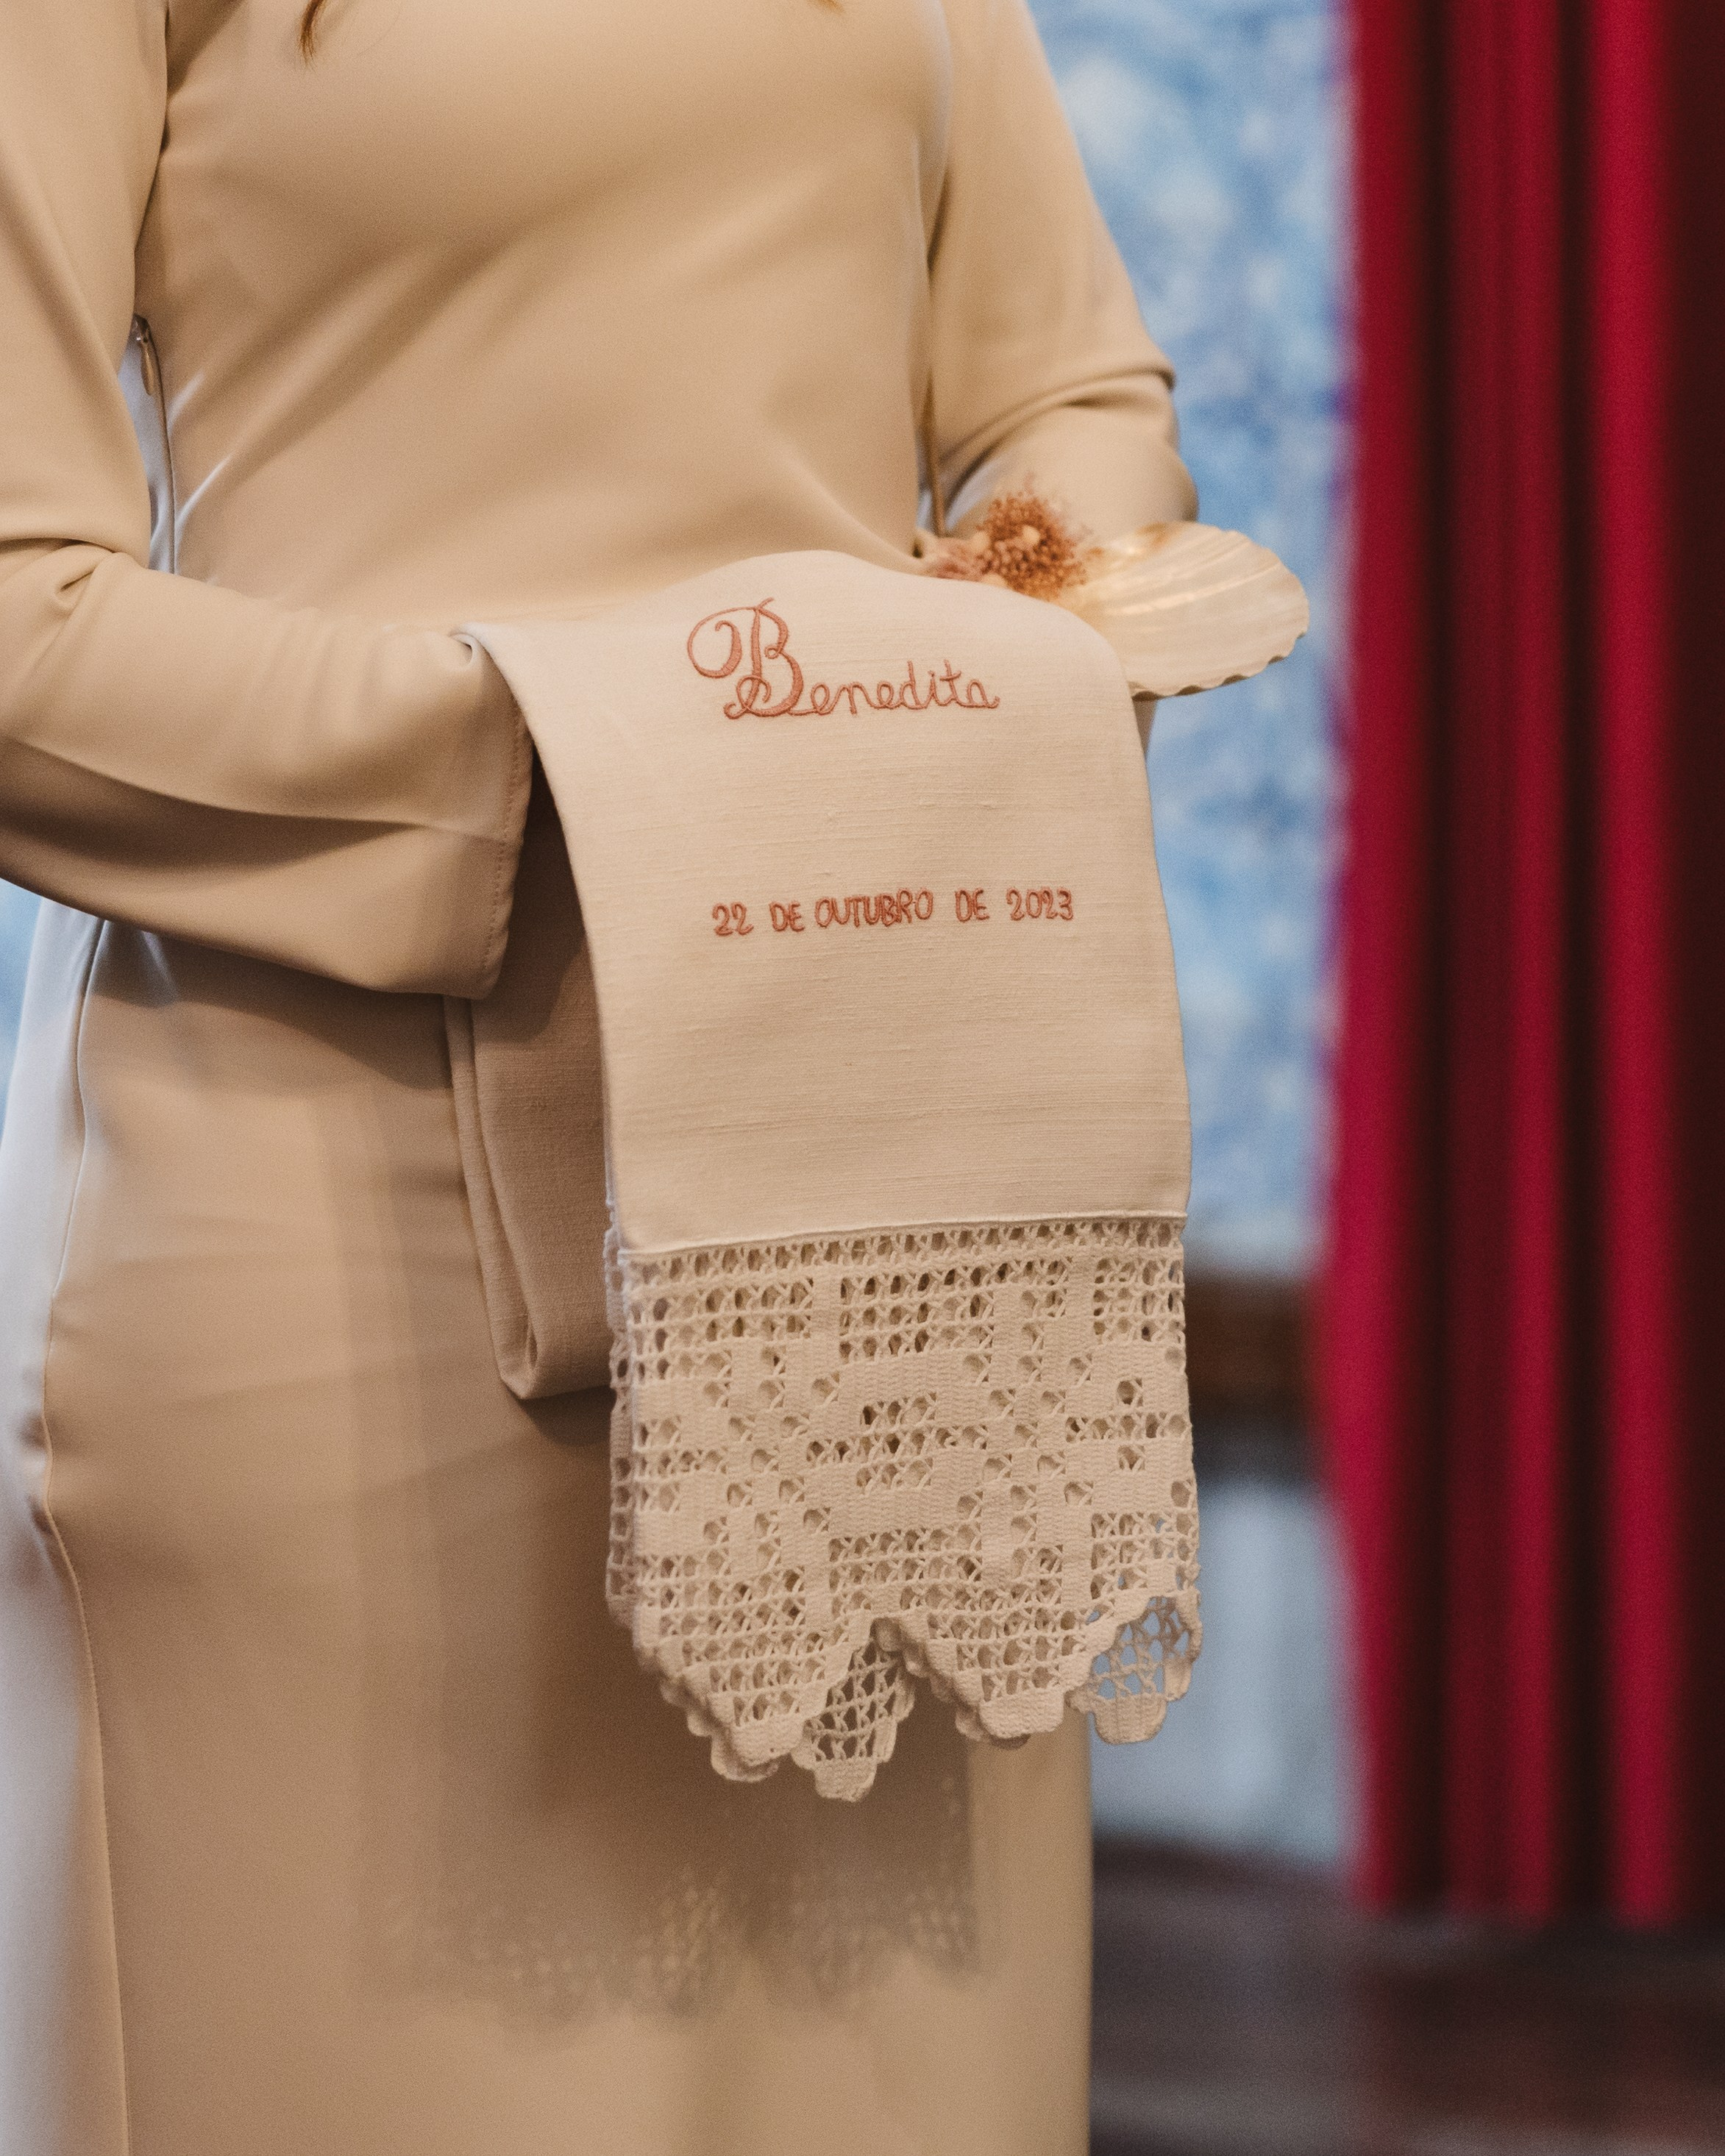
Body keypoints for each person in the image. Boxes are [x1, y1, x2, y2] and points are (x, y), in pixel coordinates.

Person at [0, 3, 1195, 2151]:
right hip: (332, 1245)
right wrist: (592, 759)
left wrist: (1000, 630)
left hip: (893, 1231)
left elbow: (1066, 395)